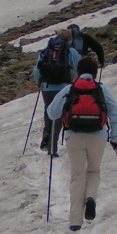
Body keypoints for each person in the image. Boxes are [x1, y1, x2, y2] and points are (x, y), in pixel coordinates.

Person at [46, 55, 117, 231]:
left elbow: (52, 113)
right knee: (93, 171)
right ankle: (90, 198)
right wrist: (115, 137)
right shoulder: (102, 89)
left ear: (78, 72)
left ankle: (75, 221)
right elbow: (115, 113)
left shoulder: (69, 89)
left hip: (74, 136)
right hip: (98, 136)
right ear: (95, 73)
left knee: (77, 175)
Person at [33, 28, 80, 156]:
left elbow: (37, 70)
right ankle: (52, 147)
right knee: (59, 114)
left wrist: (40, 83)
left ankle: (46, 134)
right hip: (63, 87)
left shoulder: (46, 51)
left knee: (48, 110)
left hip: (47, 87)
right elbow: (77, 69)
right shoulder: (71, 52)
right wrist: (73, 82)